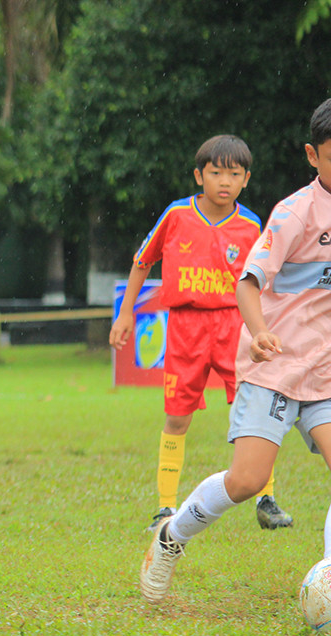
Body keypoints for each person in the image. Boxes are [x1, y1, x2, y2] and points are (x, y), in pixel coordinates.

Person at [139, 99, 331, 604]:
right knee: (246, 480)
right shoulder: (294, 213)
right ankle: (171, 537)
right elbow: (248, 283)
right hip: (274, 368)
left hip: (327, 373)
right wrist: (261, 330)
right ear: (313, 156)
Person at [109, 134, 293, 531]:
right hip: (186, 329)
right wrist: (125, 315)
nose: (224, 181)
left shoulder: (250, 225)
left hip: (234, 327)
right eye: (215, 173)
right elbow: (143, 262)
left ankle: (267, 499)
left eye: (234, 174)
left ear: (246, 179)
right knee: (177, 418)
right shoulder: (176, 216)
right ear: (198, 175)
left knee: (254, 410)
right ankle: (164, 507)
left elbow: (263, 280)